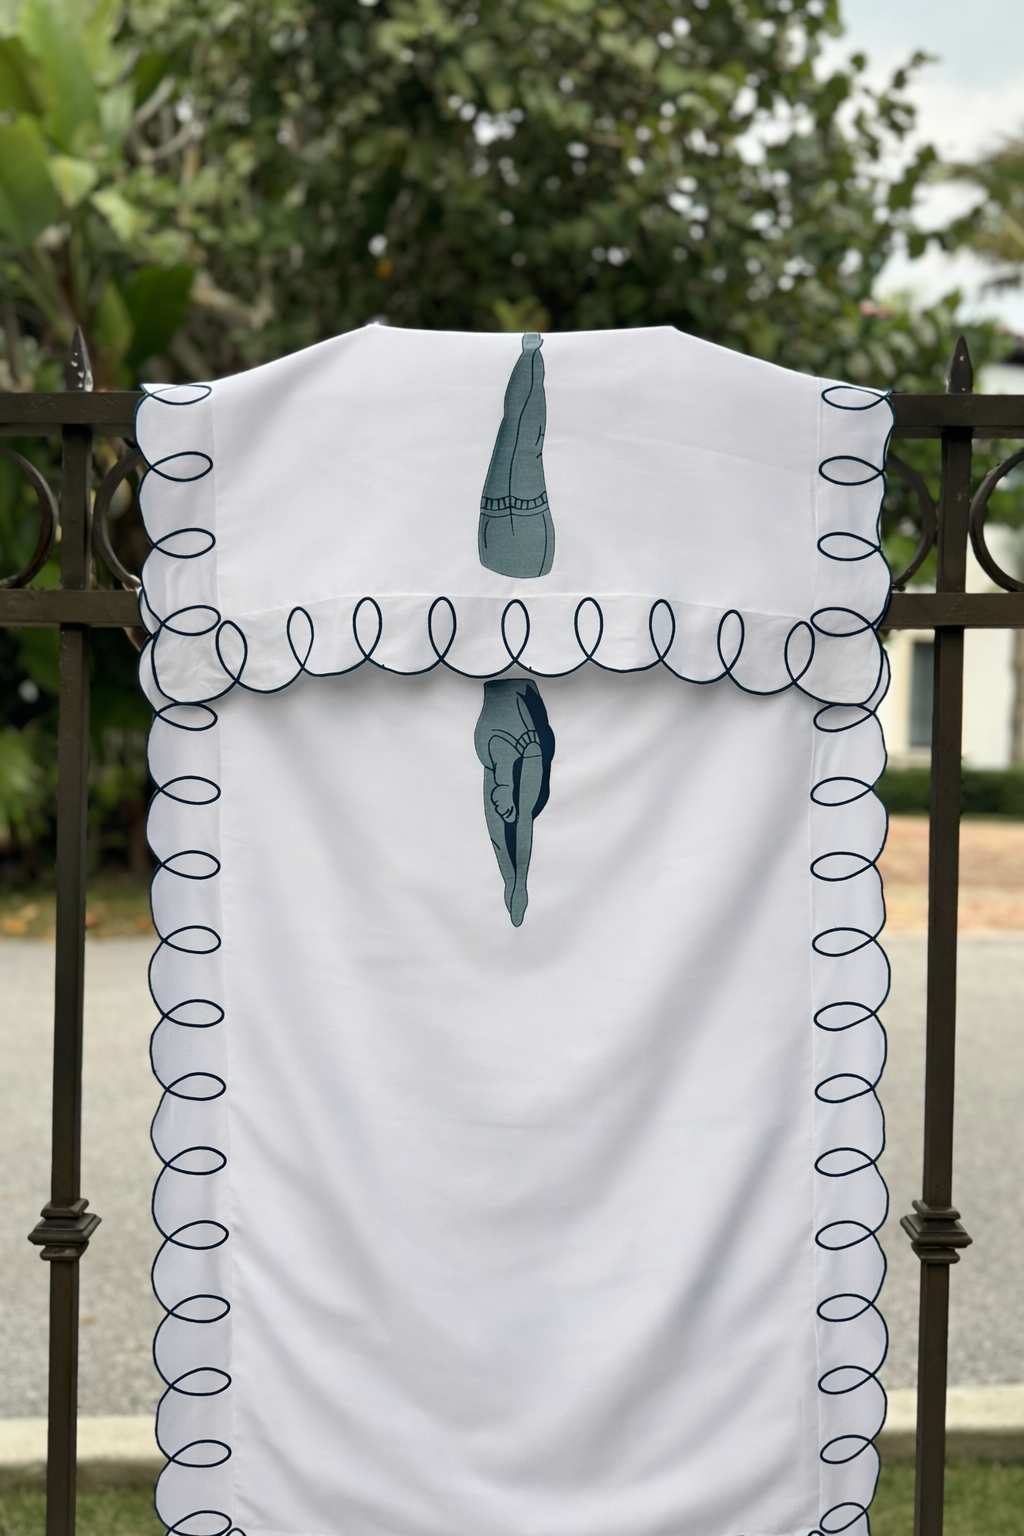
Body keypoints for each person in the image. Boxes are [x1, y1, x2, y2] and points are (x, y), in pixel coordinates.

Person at [474, 678, 555, 926]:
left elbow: (521, 821)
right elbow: (516, 824)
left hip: (523, 735)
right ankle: (514, 883)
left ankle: (516, 883)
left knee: (519, 818)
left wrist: (517, 883)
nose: (505, 811)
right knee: (514, 821)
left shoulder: (493, 750)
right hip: (525, 732)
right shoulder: (505, 752)